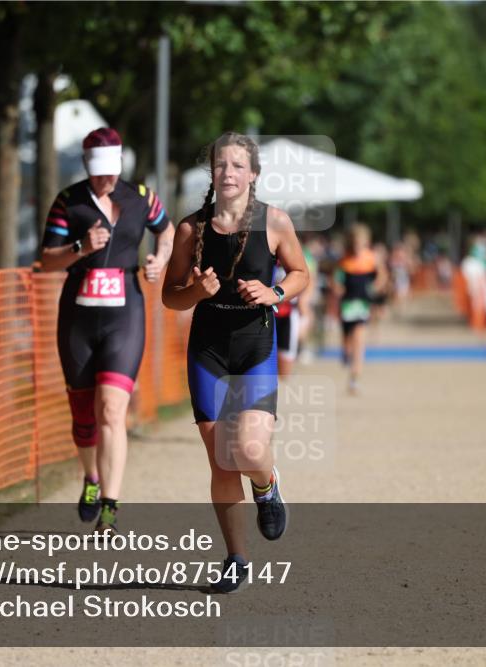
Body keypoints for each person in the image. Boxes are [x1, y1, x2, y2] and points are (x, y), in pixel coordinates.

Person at [162, 132, 309, 593]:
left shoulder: (275, 222)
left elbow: (301, 273)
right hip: (207, 349)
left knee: (247, 450)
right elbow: (170, 296)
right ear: (212, 172)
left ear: (253, 174)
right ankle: (236, 559)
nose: (228, 172)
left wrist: (275, 292)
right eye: (221, 165)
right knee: (222, 464)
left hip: (254, 346)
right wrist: (195, 292)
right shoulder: (191, 229)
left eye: (238, 166)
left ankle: (267, 486)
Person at [39, 127, 173, 533]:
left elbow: (166, 231)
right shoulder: (69, 201)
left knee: (113, 409)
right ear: (86, 166)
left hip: (124, 315)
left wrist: (160, 260)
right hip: (78, 318)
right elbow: (46, 260)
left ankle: (111, 506)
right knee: (84, 417)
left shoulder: (142, 197)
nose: (106, 178)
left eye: (111, 170)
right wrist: (80, 248)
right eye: (98, 171)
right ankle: (91, 478)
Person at [332, 224, 379, 395]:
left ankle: (354, 380)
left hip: (363, 304)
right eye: (355, 242)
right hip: (347, 304)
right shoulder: (343, 261)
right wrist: (337, 288)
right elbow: (336, 280)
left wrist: (375, 287)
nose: (358, 245)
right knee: (347, 341)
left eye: (361, 242)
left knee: (359, 340)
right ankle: (345, 352)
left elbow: (381, 276)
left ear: (366, 242)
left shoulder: (371, 259)